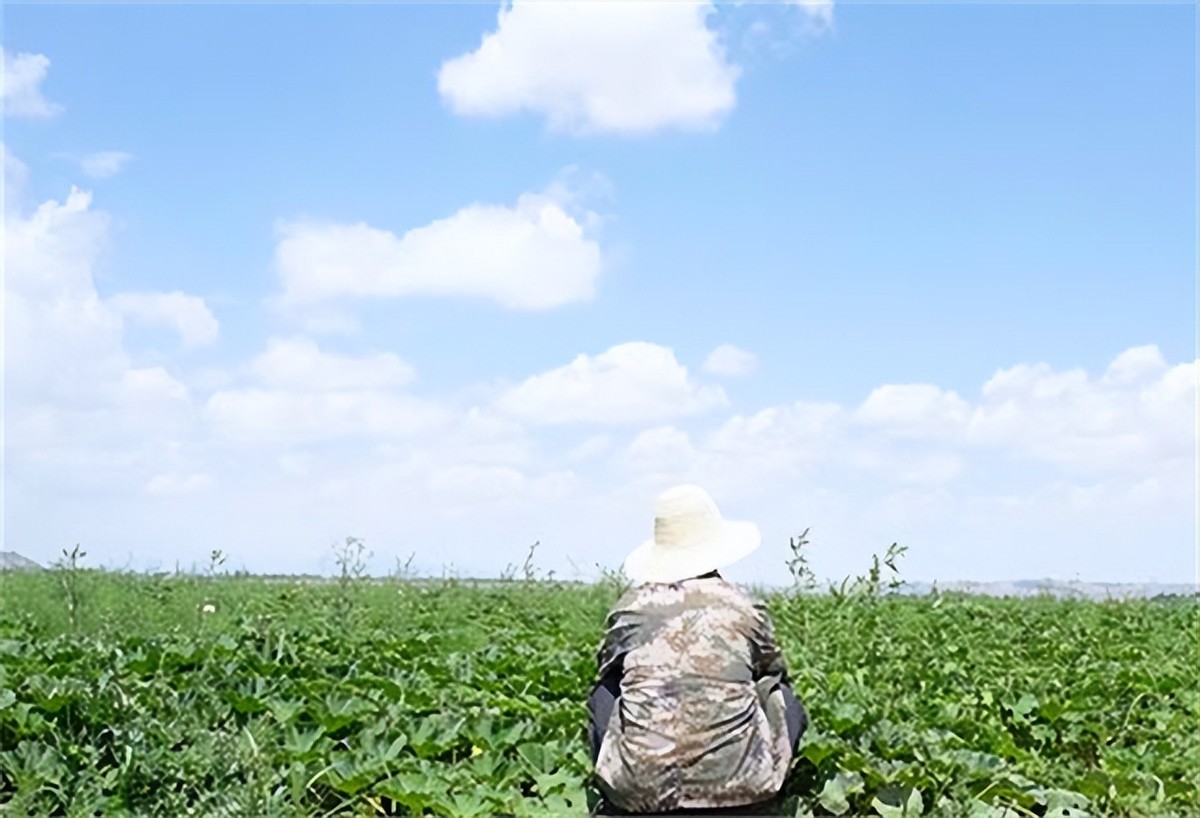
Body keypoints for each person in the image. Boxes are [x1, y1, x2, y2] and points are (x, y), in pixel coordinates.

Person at [587, 484, 808, 815]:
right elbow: (773, 670)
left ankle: (618, 786)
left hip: (640, 796)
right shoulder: (744, 607)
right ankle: (768, 792)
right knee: (779, 693)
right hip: (739, 792)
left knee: (605, 690)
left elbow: (609, 671)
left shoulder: (631, 608)